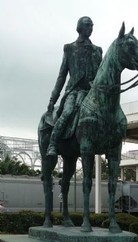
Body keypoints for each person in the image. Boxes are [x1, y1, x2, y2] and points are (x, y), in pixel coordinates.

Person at [46, 16, 102, 156]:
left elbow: (101, 75)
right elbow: (62, 76)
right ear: (80, 28)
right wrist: (53, 98)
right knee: (68, 112)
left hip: (91, 93)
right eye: (88, 25)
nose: (91, 28)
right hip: (74, 91)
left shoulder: (97, 50)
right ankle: (52, 143)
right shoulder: (69, 48)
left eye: (92, 25)